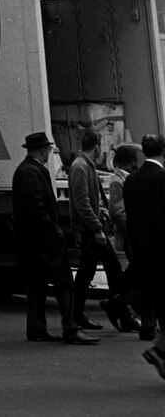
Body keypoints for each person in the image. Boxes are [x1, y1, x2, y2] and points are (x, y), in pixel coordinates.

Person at [11, 131, 95, 344]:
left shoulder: (27, 170)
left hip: (33, 241)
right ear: (41, 150)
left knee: (37, 285)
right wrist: (54, 230)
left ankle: (37, 328)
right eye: (47, 148)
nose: (49, 151)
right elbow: (36, 208)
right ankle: (70, 327)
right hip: (43, 241)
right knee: (63, 283)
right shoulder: (31, 172)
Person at [69, 129, 129, 331]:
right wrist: (97, 228)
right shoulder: (80, 167)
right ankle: (119, 310)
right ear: (97, 146)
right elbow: (82, 203)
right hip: (90, 230)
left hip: (91, 228)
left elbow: (90, 200)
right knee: (112, 269)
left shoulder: (85, 165)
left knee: (86, 273)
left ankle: (77, 315)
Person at [124, 132, 165, 380]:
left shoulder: (132, 180)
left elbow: (132, 220)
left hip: (143, 254)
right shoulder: (162, 179)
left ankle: (160, 349)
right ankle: (159, 350)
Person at [109, 145, 147, 336]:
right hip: (128, 239)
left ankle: (121, 308)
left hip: (132, 237)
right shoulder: (118, 180)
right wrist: (136, 230)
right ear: (131, 161)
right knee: (138, 276)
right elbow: (117, 212)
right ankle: (119, 305)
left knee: (136, 276)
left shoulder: (126, 178)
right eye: (134, 160)